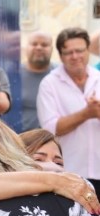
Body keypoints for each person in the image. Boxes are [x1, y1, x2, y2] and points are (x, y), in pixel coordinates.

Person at [37, 27, 100, 198]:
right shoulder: (49, 84)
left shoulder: (98, 78)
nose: (75, 56)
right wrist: (87, 113)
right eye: (68, 52)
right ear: (60, 55)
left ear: (88, 51)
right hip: (70, 174)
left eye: (79, 50)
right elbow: (51, 129)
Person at [21, 31, 55, 132]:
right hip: (20, 141)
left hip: (53, 141)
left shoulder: (62, 75)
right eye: (34, 44)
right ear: (26, 48)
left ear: (52, 49)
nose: (39, 48)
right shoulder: (12, 76)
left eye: (44, 45)